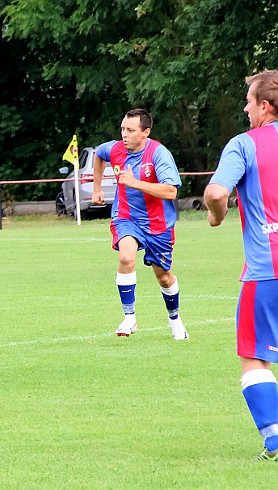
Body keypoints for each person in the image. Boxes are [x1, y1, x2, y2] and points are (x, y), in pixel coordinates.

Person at [204, 69, 278, 461]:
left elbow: (217, 191)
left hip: (267, 270)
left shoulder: (243, 145)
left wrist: (217, 215)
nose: (245, 107)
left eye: (249, 101)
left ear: (264, 107)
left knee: (255, 357)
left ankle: (275, 437)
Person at [92, 108, 189, 340]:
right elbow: (99, 154)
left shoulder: (159, 154)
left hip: (158, 224)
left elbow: (170, 192)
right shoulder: (115, 149)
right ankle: (129, 317)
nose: (124, 134)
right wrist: (96, 188)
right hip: (126, 217)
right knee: (126, 257)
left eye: (130, 130)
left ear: (145, 132)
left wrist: (135, 183)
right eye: (123, 129)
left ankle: (175, 319)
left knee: (164, 276)